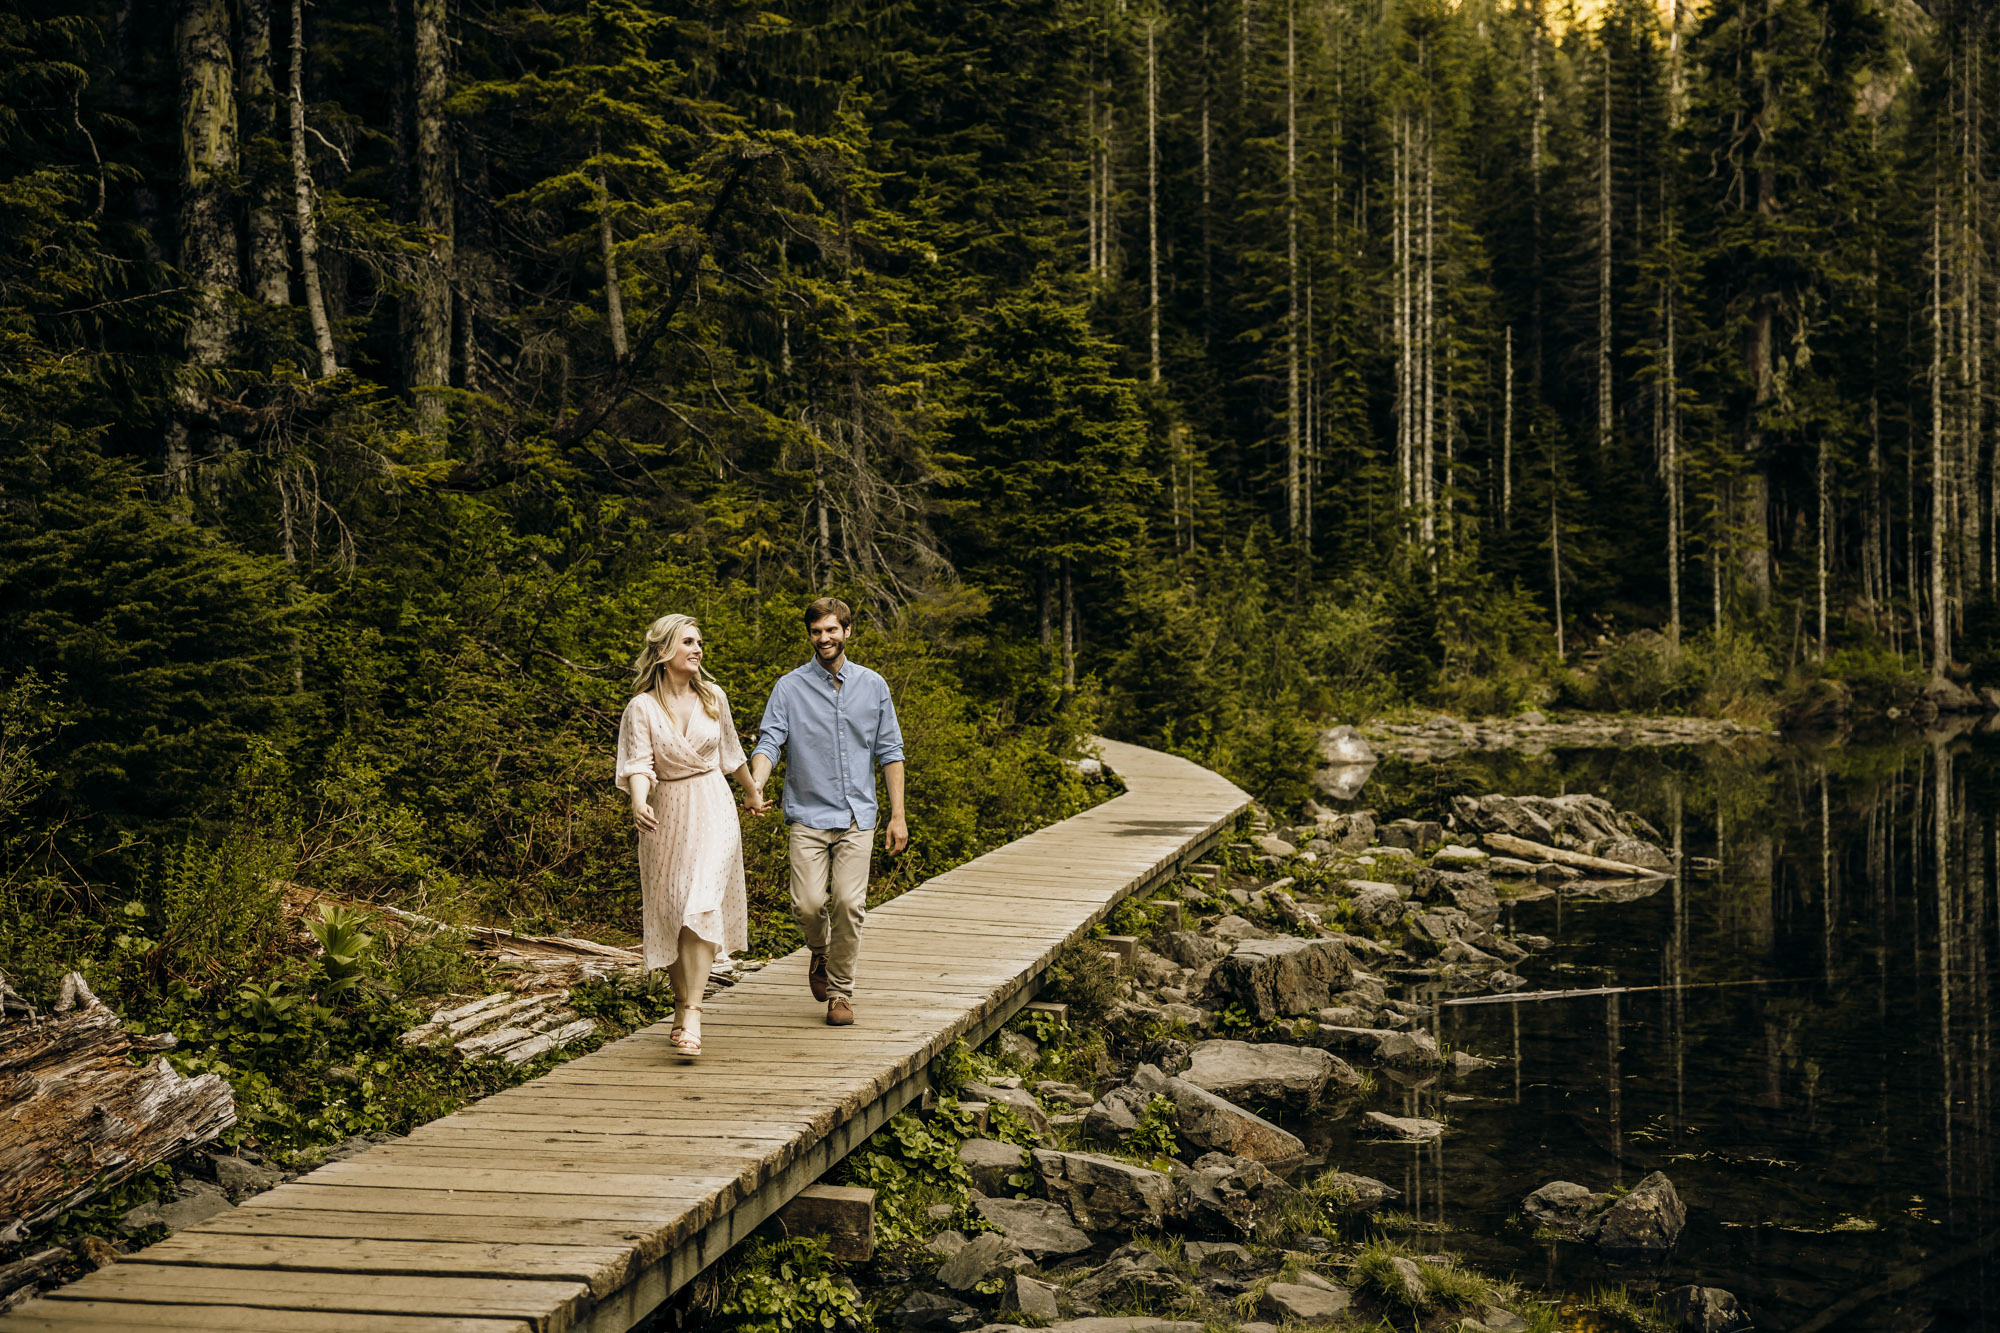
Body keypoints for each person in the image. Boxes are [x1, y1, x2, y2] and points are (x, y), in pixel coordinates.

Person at [615, 613, 768, 1057]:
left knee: (701, 901)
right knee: (673, 910)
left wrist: (753, 794)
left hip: (713, 805)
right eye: (688, 642)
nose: (698, 649)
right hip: (666, 814)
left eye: (699, 642)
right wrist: (638, 801)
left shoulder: (713, 696)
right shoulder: (641, 707)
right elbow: (637, 764)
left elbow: (732, 753)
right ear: (664, 651)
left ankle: (695, 1012)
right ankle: (681, 1005)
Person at [749, 597, 907, 1026]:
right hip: (808, 814)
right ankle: (819, 952)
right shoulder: (789, 687)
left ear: (847, 632)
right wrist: (756, 781)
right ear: (810, 635)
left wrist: (898, 815)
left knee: (849, 902)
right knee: (807, 904)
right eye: (817, 631)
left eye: (832, 630)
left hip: (859, 815)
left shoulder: (873, 686)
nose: (824, 638)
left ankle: (840, 994)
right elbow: (770, 740)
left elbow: (890, 751)